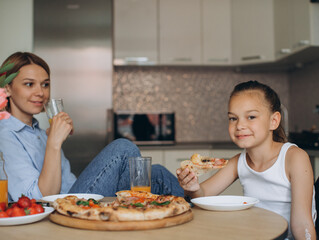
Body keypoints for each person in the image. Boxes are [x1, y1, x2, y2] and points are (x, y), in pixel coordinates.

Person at [0, 52, 183, 202]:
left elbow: (70, 184)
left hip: (71, 196)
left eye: (45, 84)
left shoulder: (40, 133)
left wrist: (52, 140)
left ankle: (187, 215)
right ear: (7, 89)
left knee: (156, 173)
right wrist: (54, 144)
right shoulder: (5, 135)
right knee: (123, 147)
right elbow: (39, 200)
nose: (40, 92)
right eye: (29, 84)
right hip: (55, 211)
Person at [177, 81, 317, 240]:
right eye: (232, 118)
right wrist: (192, 187)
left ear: (274, 121)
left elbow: (302, 225)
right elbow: (202, 196)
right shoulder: (239, 161)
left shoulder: (295, 158)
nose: (239, 125)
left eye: (251, 117)